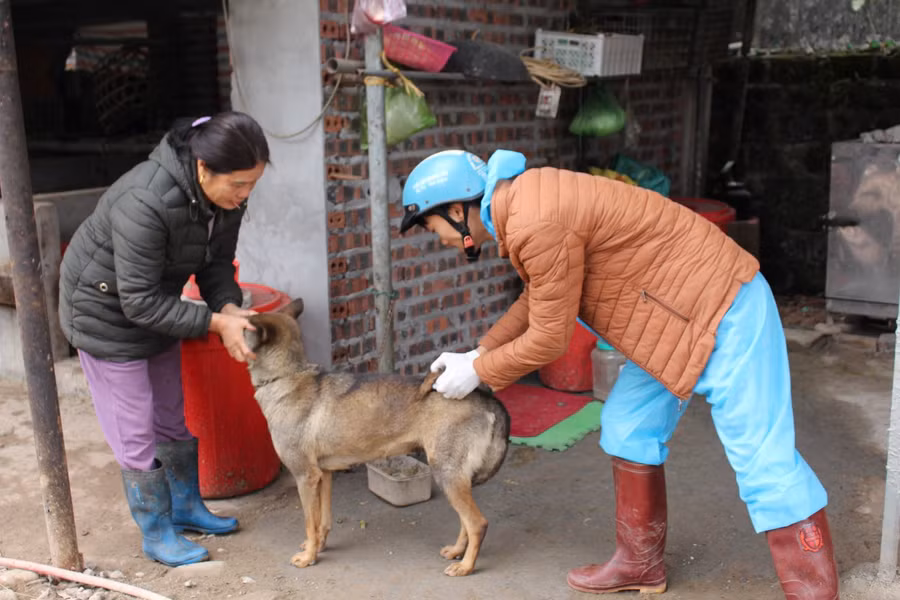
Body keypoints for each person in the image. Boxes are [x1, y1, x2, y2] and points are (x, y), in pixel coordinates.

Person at [399, 149, 839, 598]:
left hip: (723, 305)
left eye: (432, 229)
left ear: (457, 211)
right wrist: (481, 351)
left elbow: (550, 338)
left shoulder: (533, 217)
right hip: (664, 322)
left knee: (761, 456)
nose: (441, 240)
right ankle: (639, 564)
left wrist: (479, 370)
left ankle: (813, 590)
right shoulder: (524, 206)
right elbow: (539, 298)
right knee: (628, 426)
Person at [59, 111, 269, 567]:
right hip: (104, 313)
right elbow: (136, 302)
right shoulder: (144, 199)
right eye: (238, 184)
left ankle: (186, 508)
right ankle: (156, 531)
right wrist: (214, 324)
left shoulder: (224, 201)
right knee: (135, 428)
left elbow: (216, 264)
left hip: (155, 304)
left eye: (252, 184)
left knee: (171, 415)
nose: (245, 194)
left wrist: (228, 306)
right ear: (203, 168)